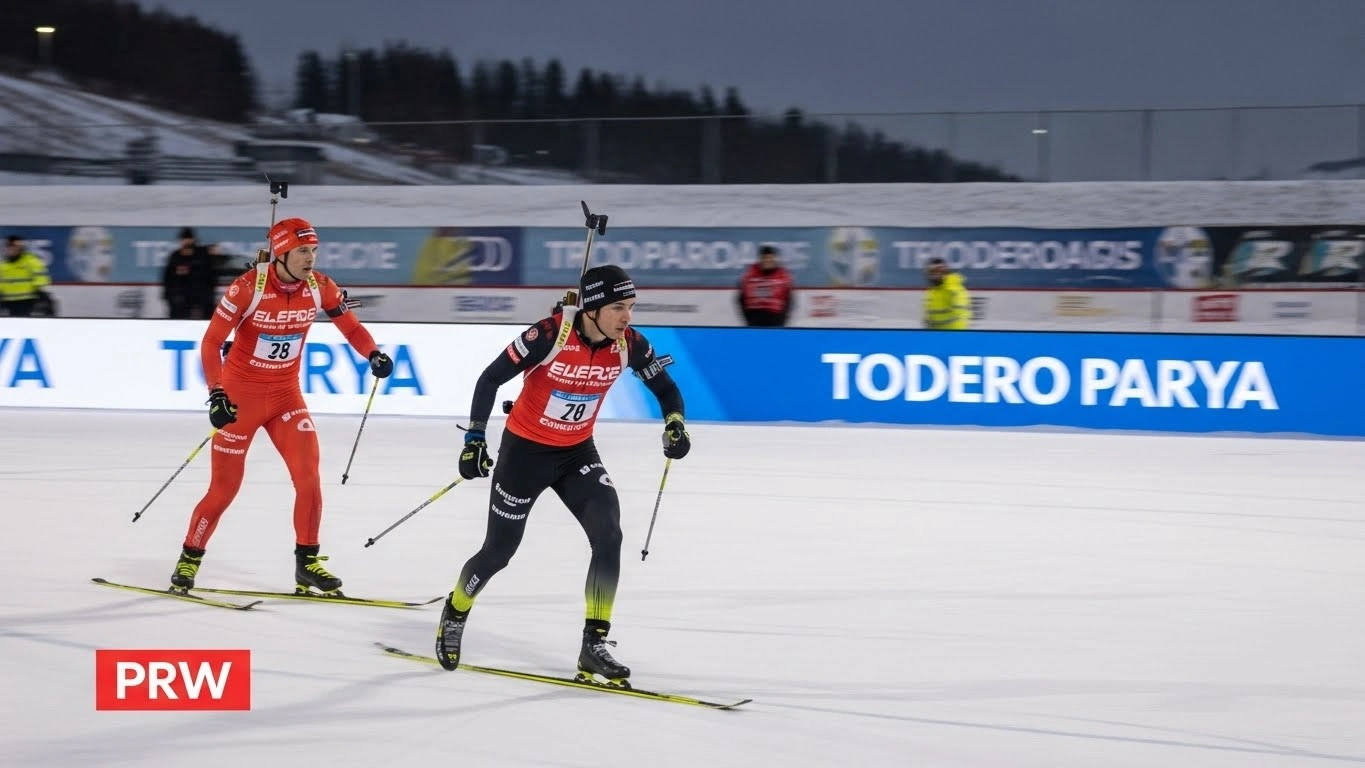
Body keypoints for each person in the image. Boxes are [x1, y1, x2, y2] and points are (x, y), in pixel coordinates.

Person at [437, 264, 691, 686]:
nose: (627, 317)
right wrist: (475, 440)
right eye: (618, 308)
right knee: (499, 553)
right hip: (525, 454)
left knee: (609, 534)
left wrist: (675, 424)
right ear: (591, 309)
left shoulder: (629, 343)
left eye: (630, 307)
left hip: (576, 453)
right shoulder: (550, 334)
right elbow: (490, 378)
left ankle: (594, 644)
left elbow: (666, 390)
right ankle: (456, 610)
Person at [168, 217, 394, 595]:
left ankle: (307, 563)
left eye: (314, 251)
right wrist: (217, 393)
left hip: (287, 396)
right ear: (282, 252)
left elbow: (351, 327)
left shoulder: (320, 287)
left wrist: (373, 353)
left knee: (309, 478)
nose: (310, 258)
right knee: (224, 489)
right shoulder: (248, 289)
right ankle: (189, 559)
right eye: (302, 251)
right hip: (241, 399)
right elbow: (211, 343)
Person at [161, 227, 218, 319]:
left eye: (189, 240)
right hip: (180, 300)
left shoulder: (203, 257)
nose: (187, 242)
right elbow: (168, 279)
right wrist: (169, 297)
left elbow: (211, 277)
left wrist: (209, 295)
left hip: (201, 298)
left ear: (193, 240)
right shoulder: (175, 257)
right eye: (184, 240)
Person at [736, 244, 795, 326]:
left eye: (770, 258)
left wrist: (782, 319)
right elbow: (741, 298)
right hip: (755, 318)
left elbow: (789, 299)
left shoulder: (783, 277)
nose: (768, 261)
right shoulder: (749, 276)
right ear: (760, 259)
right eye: (765, 258)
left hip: (775, 319)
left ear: (774, 259)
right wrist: (748, 318)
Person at [1, 235, 52, 317]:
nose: (13, 249)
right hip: (8, 301)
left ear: (21, 248)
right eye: (10, 247)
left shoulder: (31, 261)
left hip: (27, 301)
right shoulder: (3, 265)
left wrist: (38, 290)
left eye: (16, 247)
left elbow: (41, 278)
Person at [922, 257, 972, 330]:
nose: (935, 275)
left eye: (938, 271)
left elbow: (960, 313)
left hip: (955, 334)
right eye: (932, 272)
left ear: (945, 272)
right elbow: (930, 316)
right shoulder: (932, 292)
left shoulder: (954, 289)